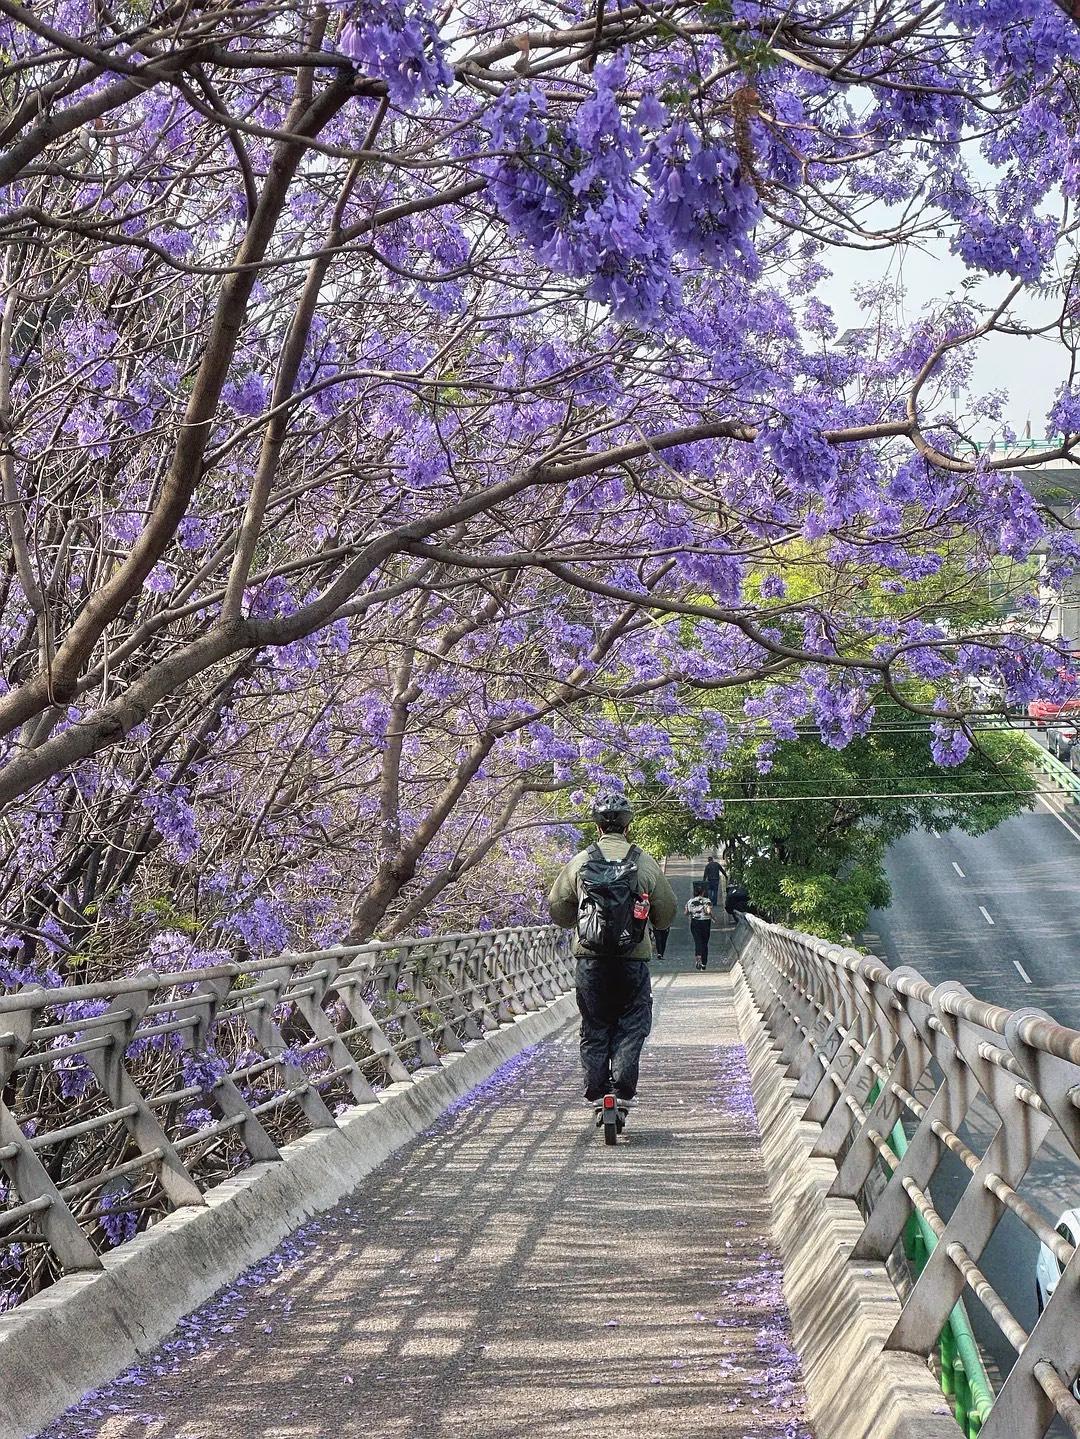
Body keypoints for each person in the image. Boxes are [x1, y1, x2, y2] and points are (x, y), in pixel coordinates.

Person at [547, 790, 677, 1127]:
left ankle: (597, 1091)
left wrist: (584, 917)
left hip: (590, 961)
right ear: (627, 824)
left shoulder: (580, 861)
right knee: (632, 1026)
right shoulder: (643, 862)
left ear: (598, 826)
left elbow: (558, 911)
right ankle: (620, 1090)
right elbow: (665, 914)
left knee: (595, 1025)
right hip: (632, 962)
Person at [685, 881, 714, 970]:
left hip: (695, 923)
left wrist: (693, 912)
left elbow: (686, 913)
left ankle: (698, 959)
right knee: (705, 943)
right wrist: (713, 917)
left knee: (698, 941)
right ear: (703, 892)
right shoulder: (707, 901)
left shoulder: (690, 901)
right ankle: (704, 963)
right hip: (705, 923)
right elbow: (708, 911)